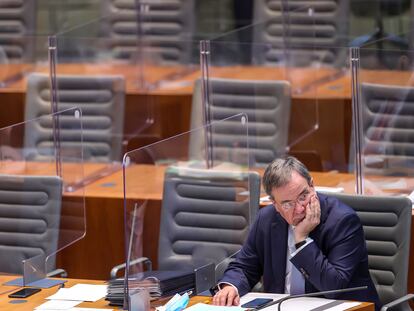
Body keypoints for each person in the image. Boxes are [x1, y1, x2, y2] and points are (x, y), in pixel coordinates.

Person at [212, 156, 381, 310]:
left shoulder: (342, 221)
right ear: (275, 205)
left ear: (312, 185)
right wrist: (231, 286)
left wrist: (301, 241)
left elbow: (334, 287)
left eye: (303, 195)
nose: (300, 208)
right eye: (287, 204)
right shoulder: (267, 219)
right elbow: (245, 266)